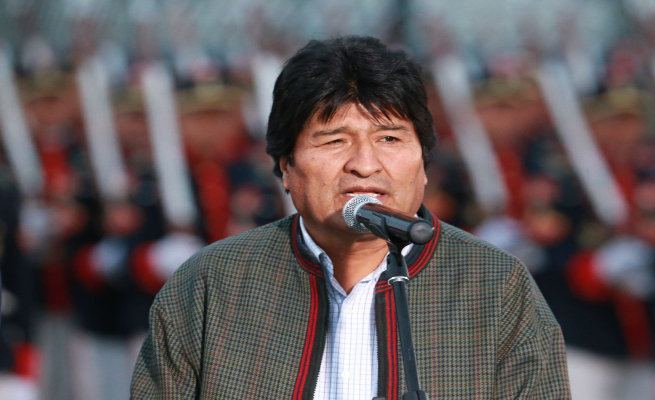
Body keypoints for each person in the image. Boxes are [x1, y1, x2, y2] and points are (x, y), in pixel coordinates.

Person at [130, 36, 571, 399]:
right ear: (286, 166)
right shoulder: (212, 283)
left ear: (424, 163)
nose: (364, 164)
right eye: (334, 140)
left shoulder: (494, 284)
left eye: (389, 138)